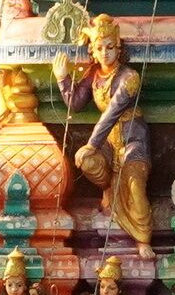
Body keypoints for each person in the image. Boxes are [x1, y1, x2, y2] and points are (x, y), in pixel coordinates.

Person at [61, 15, 155, 245]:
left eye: (110, 47)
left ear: (118, 48)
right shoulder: (94, 74)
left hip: (132, 137)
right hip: (107, 142)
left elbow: (113, 111)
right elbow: (76, 103)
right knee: (86, 161)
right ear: (92, 50)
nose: (105, 53)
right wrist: (63, 78)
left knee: (135, 187)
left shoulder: (129, 77)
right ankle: (108, 191)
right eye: (99, 48)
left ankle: (144, 238)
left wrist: (91, 145)